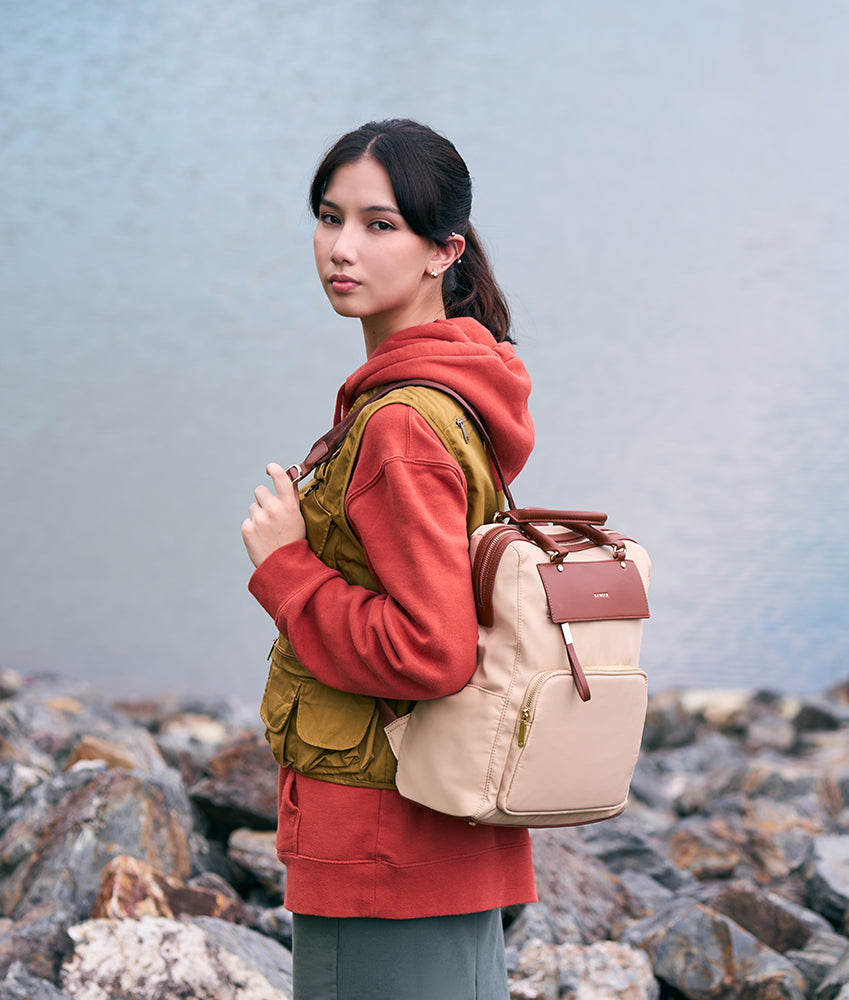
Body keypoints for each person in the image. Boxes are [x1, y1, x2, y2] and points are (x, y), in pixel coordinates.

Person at [240, 119, 537, 999]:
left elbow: (429, 651)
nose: (341, 248)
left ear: (444, 251)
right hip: (440, 828)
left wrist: (287, 566)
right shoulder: (459, 389)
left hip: (381, 848)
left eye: (379, 225)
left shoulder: (401, 423)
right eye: (329, 218)